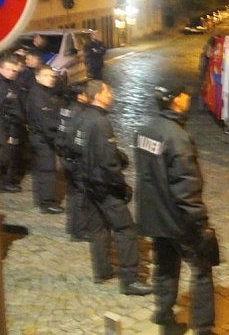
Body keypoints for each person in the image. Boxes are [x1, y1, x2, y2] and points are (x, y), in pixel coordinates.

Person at [135, 88, 217, 330]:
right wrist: (199, 223)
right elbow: (186, 187)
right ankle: (203, 326)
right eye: (184, 94)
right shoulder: (178, 137)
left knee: (165, 265)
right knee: (202, 269)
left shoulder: (145, 131)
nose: (189, 98)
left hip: (155, 215)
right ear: (176, 100)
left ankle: (162, 311)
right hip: (179, 220)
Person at [74, 80, 152, 296]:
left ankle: (102, 271)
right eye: (109, 92)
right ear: (98, 96)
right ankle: (130, 280)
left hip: (88, 184)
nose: (113, 95)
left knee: (98, 228)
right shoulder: (101, 122)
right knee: (126, 231)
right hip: (104, 187)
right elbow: (108, 162)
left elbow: (73, 147)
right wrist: (121, 186)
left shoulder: (81, 117)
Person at [26, 65, 65, 214]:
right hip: (42, 138)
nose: (51, 79)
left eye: (52, 76)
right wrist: (57, 139)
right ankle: (47, 203)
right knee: (47, 169)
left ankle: (42, 199)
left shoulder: (45, 92)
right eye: (46, 76)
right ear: (38, 77)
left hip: (42, 136)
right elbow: (45, 122)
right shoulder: (38, 95)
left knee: (42, 169)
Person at [55, 81, 91, 241]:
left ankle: (73, 227)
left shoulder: (66, 108)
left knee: (73, 193)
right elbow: (76, 139)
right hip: (75, 159)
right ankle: (79, 230)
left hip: (66, 156)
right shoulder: (80, 113)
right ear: (81, 96)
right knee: (80, 195)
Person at [0, 53, 27, 193]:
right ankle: (4, 182)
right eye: (10, 70)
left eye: (15, 71)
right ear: (0, 69)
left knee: (13, 153)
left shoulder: (11, 83)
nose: (13, 73)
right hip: (5, 126)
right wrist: (7, 132)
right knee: (6, 154)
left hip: (14, 124)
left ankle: (9, 179)